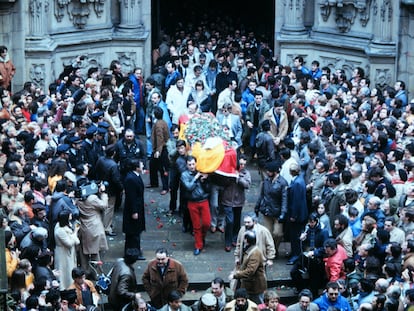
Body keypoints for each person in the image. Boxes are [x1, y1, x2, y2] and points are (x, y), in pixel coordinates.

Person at [255, 160, 288, 257]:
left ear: (275, 172)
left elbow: (284, 199)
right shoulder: (266, 181)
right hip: (267, 210)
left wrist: (283, 213)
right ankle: (270, 251)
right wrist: (257, 207)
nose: (267, 173)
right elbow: (261, 195)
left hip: (277, 212)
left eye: (269, 171)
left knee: (278, 233)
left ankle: (273, 248)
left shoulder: (282, 183)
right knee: (267, 233)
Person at [180, 155, 211, 255]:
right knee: (196, 225)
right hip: (192, 202)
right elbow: (189, 187)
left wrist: (205, 180)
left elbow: (208, 187)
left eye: (193, 164)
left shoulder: (201, 171)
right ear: (187, 165)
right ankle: (198, 245)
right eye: (190, 165)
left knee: (207, 223)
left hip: (203, 200)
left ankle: (201, 239)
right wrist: (196, 178)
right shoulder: (184, 175)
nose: (192, 166)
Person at [229, 231, 266, 304]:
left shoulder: (255, 253)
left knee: (257, 304)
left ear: (246, 240)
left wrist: (235, 275)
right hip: (249, 284)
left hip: (254, 286)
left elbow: (250, 271)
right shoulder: (248, 249)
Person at [123, 158, 146, 260]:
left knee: (135, 231)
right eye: (141, 165)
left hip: (137, 206)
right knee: (133, 232)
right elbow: (131, 197)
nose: (143, 166)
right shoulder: (130, 179)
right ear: (136, 168)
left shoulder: (134, 176)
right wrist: (134, 211)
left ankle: (135, 249)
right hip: (133, 208)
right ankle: (134, 252)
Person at [286, 162, 308, 265]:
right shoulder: (299, 180)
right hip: (299, 213)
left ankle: (296, 255)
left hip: (297, 215)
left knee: (295, 236)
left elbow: (296, 201)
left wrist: (293, 215)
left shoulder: (297, 183)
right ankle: (294, 253)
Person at [53, 210, 80, 290]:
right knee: (65, 271)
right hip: (63, 254)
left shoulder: (66, 225)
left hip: (68, 252)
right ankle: (65, 287)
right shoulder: (60, 230)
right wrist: (75, 232)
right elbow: (69, 243)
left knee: (70, 268)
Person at [149, 106, 170, 195]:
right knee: (152, 165)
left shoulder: (158, 124)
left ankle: (165, 187)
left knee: (163, 169)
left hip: (160, 149)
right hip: (159, 148)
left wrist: (158, 151)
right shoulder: (162, 122)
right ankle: (154, 183)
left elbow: (160, 138)